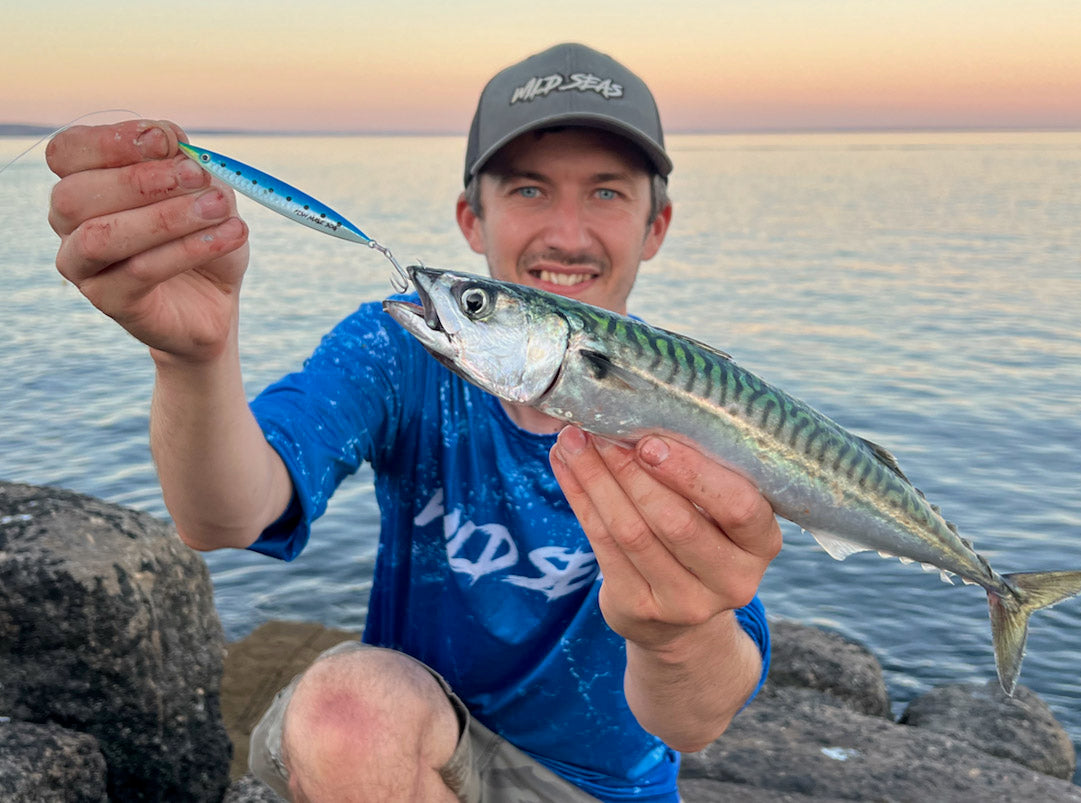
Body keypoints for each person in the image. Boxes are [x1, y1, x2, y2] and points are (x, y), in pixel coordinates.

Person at [46, 43, 782, 802]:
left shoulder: (695, 407)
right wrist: (194, 361)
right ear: (472, 217)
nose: (566, 232)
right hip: (418, 753)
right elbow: (228, 512)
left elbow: (697, 717)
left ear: (655, 226)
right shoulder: (400, 349)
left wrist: (675, 632)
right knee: (347, 710)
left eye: (606, 193)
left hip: (606, 788)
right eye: (528, 190)